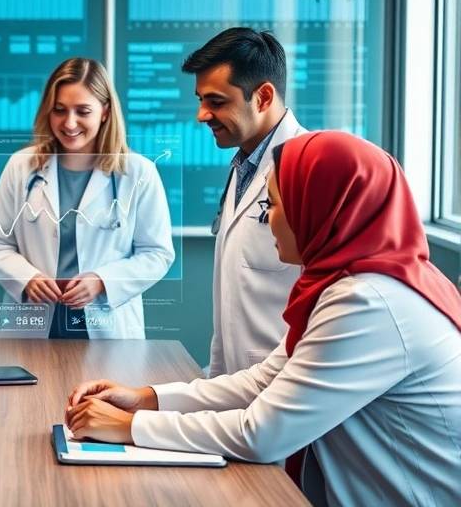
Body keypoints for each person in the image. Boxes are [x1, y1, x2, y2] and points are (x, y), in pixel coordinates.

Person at [65, 131, 461, 506]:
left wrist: (125, 428)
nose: (267, 218)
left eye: (273, 204)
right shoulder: (353, 282)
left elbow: (262, 434)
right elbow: (263, 379)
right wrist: (145, 400)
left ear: (320, 208)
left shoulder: (370, 302)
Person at [0, 58, 175, 338]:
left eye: (82, 111)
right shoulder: (21, 165)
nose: (69, 123)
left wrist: (102, 281)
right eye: (59, 110)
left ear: (105, 112)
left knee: (106, 383)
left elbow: (157, 253)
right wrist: (26, 278)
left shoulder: (138, 172)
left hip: (106, 321)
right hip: (33, 319)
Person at [182, 27, 307, 376]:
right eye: (200, 100)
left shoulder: (309, 174)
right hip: (239, 384)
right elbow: (230, 297)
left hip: (289, 382)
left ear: (263, 97)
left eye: (216, 101)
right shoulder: (243, 165)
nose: (202, 115)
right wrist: (215, 380)